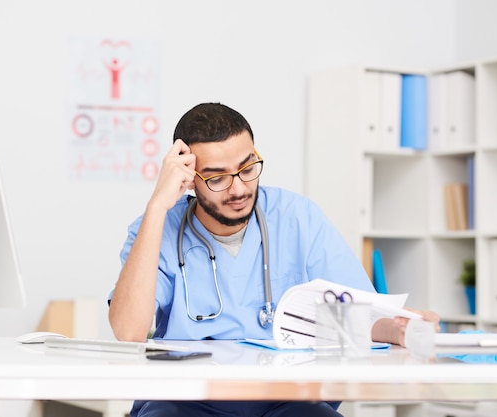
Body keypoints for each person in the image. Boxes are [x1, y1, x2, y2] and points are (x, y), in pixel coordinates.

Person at [108, 102, 440, 417]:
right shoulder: (157, 228)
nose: (238, 189)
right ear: (190, 179)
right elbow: (129, 331)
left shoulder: (297, 217)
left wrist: (398, 329)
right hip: (186, 399)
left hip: (284, 398)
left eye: (247, 168)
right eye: (218, 177)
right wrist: (156, 207)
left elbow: (356, 314)